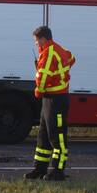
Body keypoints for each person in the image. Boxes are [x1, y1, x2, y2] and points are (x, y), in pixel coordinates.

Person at [25, 25, 75, 181]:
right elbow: (71, 57)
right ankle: (39, 169)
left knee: (57, 136)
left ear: (43, 39)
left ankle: (58, 171)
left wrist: (38, 91)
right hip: (51, 99)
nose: (36, 44)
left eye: (36, 40)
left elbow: (43, 77)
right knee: (43, 135)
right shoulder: (58, 49)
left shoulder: (49, 52)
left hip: (55, 99)